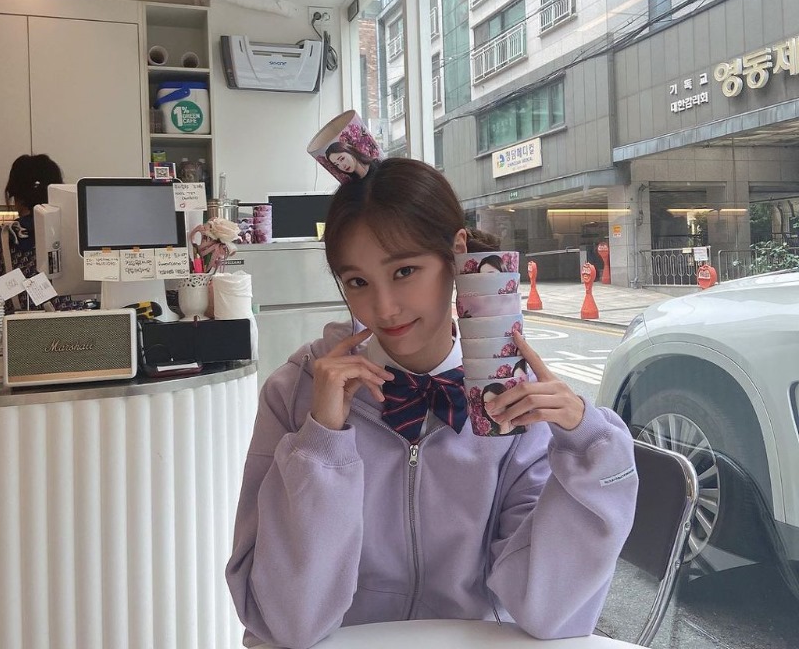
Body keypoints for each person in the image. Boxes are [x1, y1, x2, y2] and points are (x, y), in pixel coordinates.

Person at [226, 158, 637, 649]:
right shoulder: (295, 393)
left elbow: (547, 611)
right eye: (357, 282)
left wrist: (588, 449)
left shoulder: (514, 403)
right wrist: (322, 443)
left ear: (457, 252)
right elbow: (285, 622)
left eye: (404, 271)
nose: (384, 308)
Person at [0, 154, 63, 313]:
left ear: (15, 196)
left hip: (20, 326)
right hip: (80, 324)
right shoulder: (75, 234)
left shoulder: (6, 239)